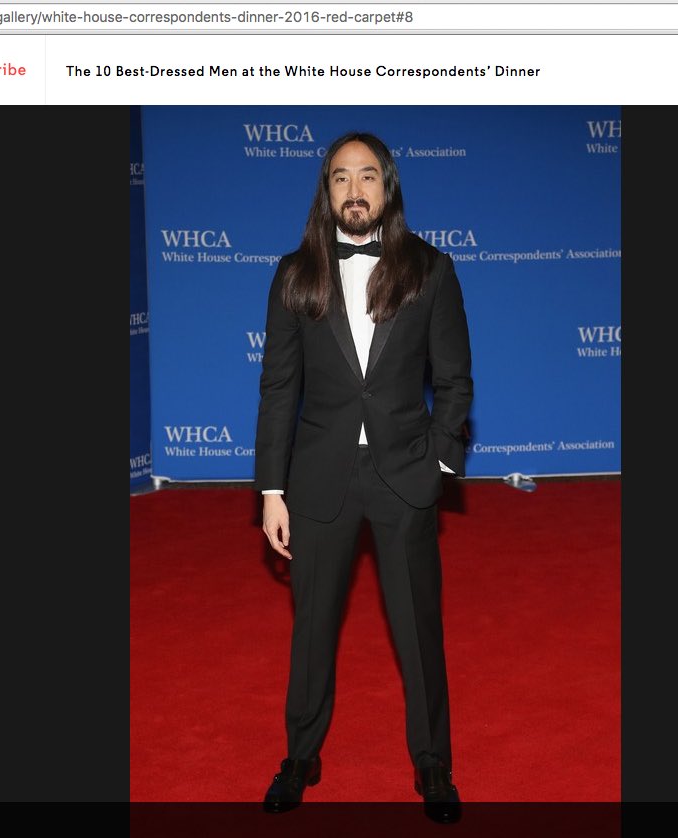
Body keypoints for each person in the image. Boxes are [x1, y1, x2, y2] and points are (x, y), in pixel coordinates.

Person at [254, 131, 473, 823]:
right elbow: (278, 389)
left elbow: (455, 380)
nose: (355, 189)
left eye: (368, 176)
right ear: (327, 192)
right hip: (320, 477)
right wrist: (271, 491)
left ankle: (433, 763)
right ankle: (300, 755)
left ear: (389, 187)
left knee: (417, 630)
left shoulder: (431, 269)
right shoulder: (295, 273)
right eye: (341, 177)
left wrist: (438, 462)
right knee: (312, 630)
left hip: (404, 474)